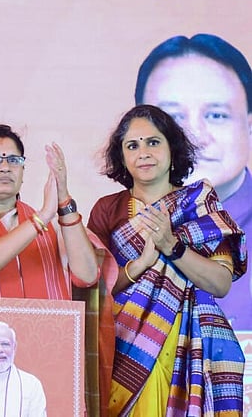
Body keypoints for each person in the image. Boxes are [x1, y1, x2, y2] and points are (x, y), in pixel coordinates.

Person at [0, 124, 113, 416]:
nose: (4, 167)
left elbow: (87, 274)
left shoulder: (54, 222)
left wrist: (64, 201)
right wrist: (41, 218)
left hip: (51, 356)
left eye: (13, 160)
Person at [88, 104, 246, 415]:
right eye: (132, 145)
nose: (143, 152)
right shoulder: (108, 210)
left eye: (153, 142)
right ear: (122, 157)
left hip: (187, 349)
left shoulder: (200, 207)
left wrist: (172, 246)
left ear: (172, 149)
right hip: (126, 349)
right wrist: (140, 265)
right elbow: (93, 290)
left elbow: (221, 283)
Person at [134, 33, 252, 329]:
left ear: (249, 125)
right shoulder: (117, 218)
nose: (196, 136)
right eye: (172, 117)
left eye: (216, 115)